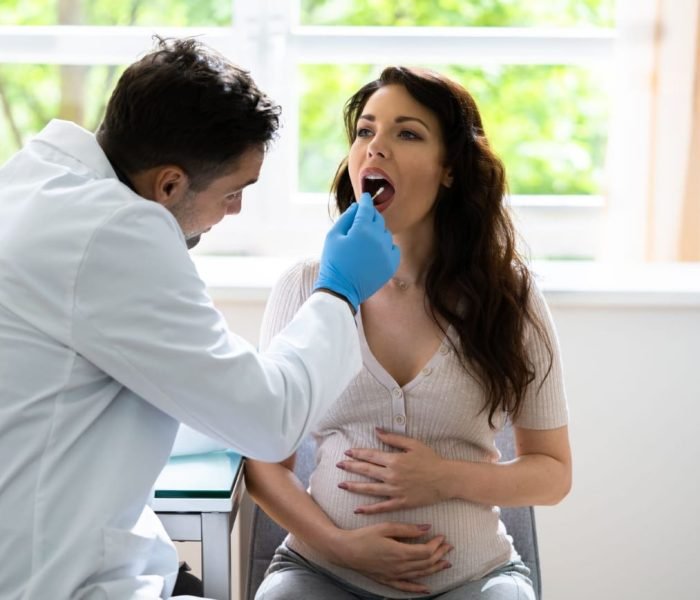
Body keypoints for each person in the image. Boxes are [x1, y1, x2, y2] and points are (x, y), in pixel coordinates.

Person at [0, 38, 399, 600]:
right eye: (233, 192)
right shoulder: (114, 235)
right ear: (169, 184)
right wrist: (338, 292)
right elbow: (266, 419)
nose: (234, 211)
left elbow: (157, 387)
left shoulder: (37, 182)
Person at [245, 66, 572, 600]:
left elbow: (553, 473)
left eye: (407, 133)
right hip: (321, 573)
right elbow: (263, 464)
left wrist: (444, 477)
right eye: (365, 131)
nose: (375, 149)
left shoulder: (512, 298)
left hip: (477, 579)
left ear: (450, 170)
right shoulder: (305, 287)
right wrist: (338, 545)